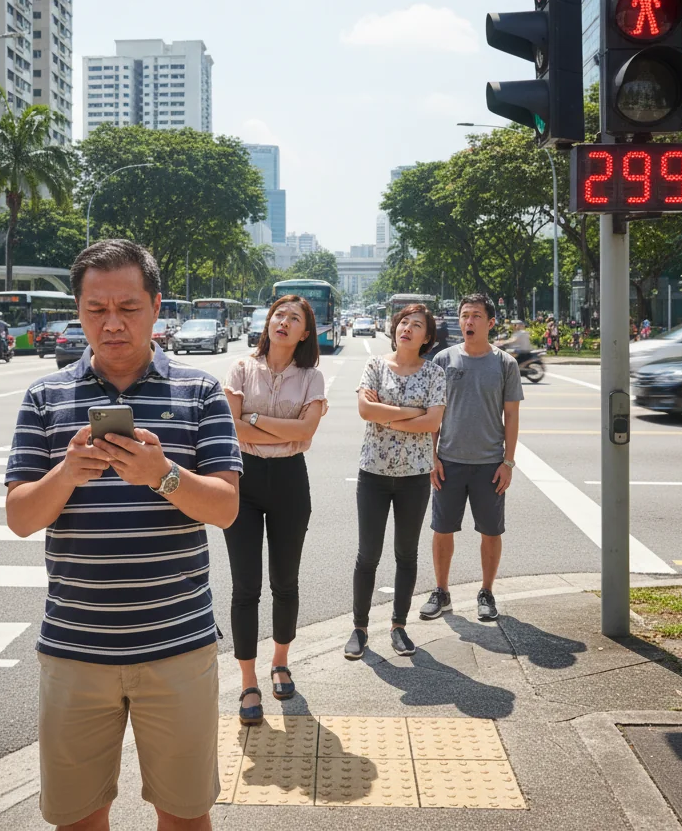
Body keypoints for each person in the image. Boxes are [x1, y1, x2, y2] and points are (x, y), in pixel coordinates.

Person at [4, 239, 241, 831]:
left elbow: (227, 507)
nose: (111, 324)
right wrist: (68, 472)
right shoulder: (44, 397)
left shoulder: (200, 392)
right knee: (78, 817)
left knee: (185, 814)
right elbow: (21, 517)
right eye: (95, 309)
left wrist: (160, 475)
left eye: (128, 308)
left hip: (178, 648)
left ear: (157, 307)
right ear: (78, 312)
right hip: (75, 649)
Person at [222, 295, 327, 725]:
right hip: (241, 480)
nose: (284, 322)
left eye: (294, 318)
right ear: (268, 324)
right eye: (278, 315)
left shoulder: (312, 377)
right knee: (245, 587)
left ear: (305, 332)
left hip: (289, 481)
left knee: (285, 582)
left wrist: (256, 419)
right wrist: (275, 427)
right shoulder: (241, 368)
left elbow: (307, 431)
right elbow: (230, 424)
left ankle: (280, 660)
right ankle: (248, 680)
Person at [345, 304, 446, 661]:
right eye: (403, 322)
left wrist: (388, 417)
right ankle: (359, 628)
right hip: (372, 473)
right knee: (367, 554)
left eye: (416, 325)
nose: (407, 328)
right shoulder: (374, 365)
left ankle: (399, 625)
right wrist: (410, 414)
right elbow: (365, 411)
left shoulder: (434, 373)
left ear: (427, 337)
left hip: (415, 477)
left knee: (406, 553)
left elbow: (433, 422)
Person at [421, 294, 523, 623]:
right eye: (465, 315)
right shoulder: (443, 360)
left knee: (491, 532)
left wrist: (508, 463)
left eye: (476, 316)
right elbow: (432, 414)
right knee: (441, 529)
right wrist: (431, 456)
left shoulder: (505, 364)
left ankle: (487, 592)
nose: (469, 321)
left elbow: (512, 416)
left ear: (490, 323)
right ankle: (441, 591)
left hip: (490, 465)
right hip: (448, 462)